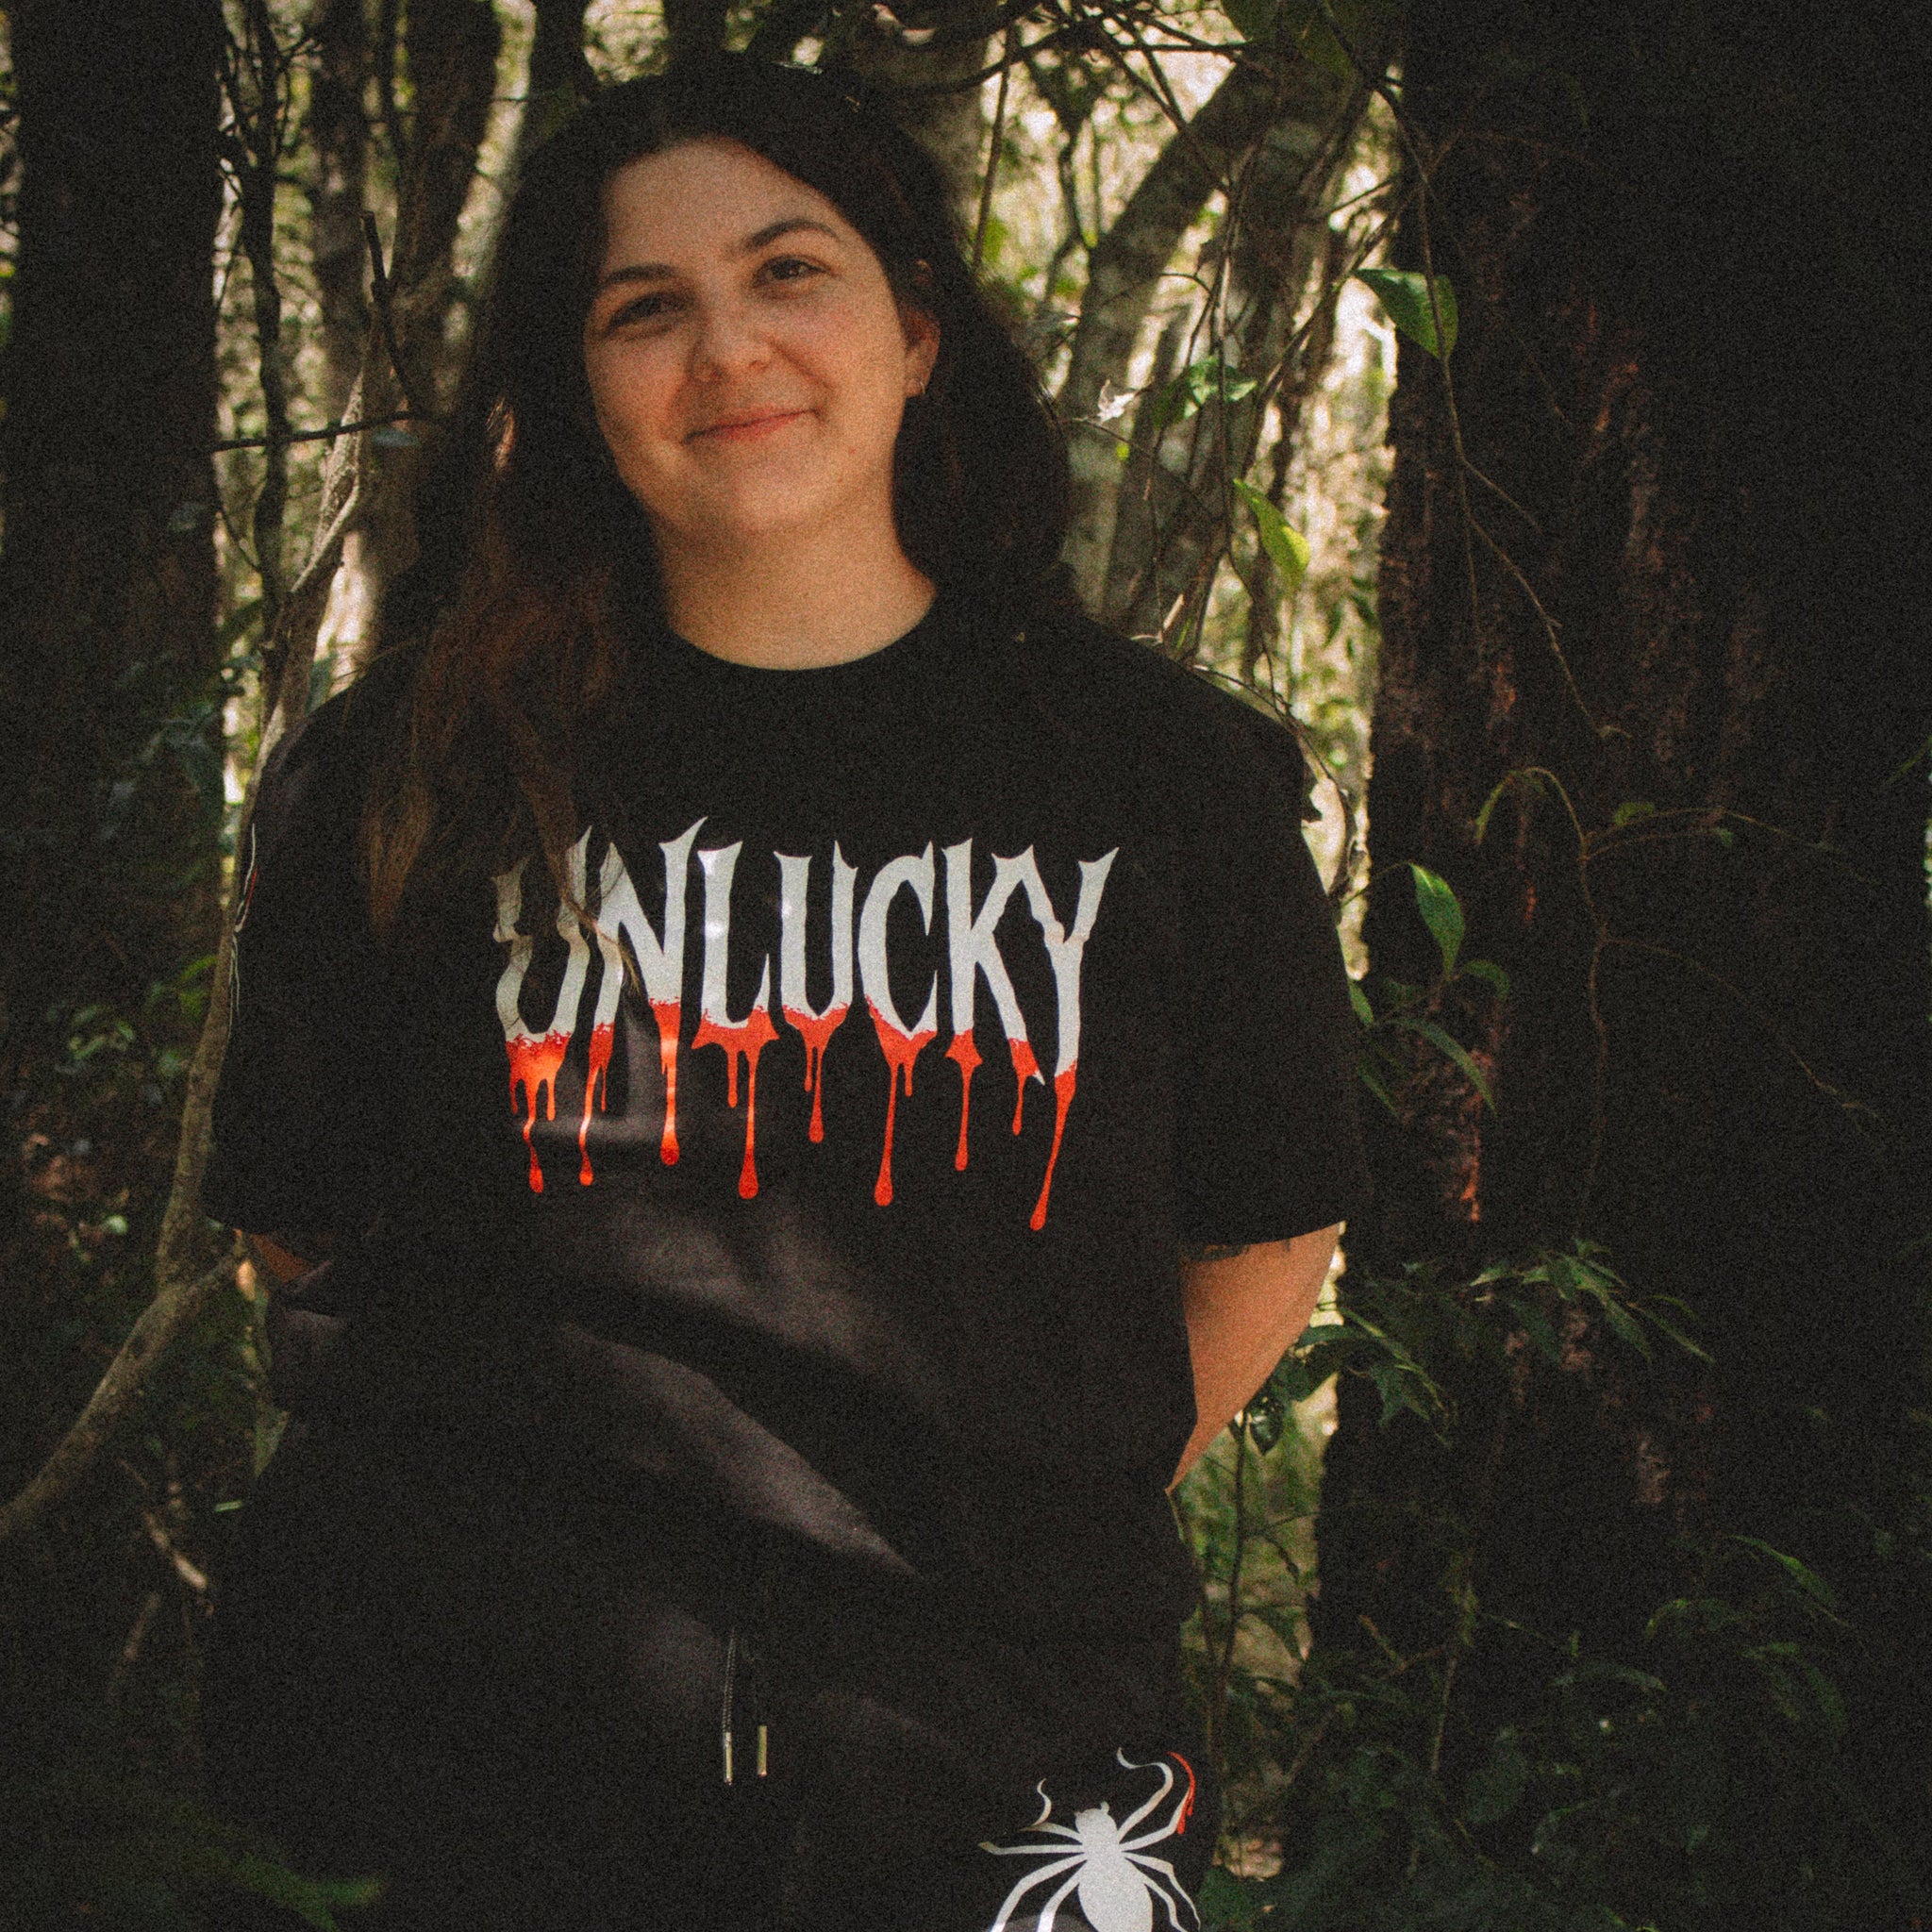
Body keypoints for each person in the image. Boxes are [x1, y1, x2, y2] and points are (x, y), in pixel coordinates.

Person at [200, 52, 1368, 1932]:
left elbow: (1268, 1215)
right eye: (642, 309)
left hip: (1002, 1769)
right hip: (448, 1762)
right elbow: (297, 1218)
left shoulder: (1156, 784)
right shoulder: (414, 775)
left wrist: (1008, 1500)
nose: (724, 346)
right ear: (578, 393)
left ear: (915, 332)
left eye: (787, 273)